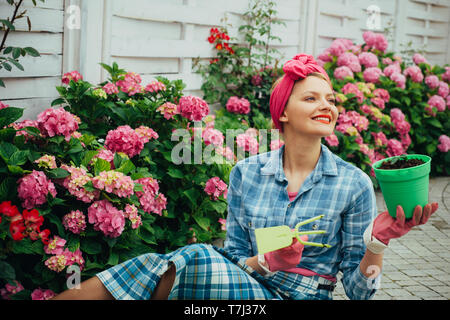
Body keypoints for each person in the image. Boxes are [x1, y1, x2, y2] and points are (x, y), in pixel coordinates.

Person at [52, 54, 438, 300]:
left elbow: (359, 293)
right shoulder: (246, 173)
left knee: (191, 259)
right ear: (282, 113)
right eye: (311, 98)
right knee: (180, 262)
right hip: (247, 285)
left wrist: (378, 242)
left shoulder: (352, 183)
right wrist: (267, 260)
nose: (327, 105)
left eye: (331, 99)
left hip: (304, 296)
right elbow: (236, 257)